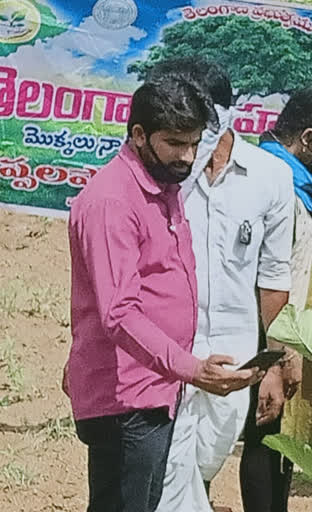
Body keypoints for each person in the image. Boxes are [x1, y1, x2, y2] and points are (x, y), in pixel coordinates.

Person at [64, 73, 261, 512]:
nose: (187, 156)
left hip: (155, 386)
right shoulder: (113, 202)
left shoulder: (162, 185)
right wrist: (191, 368)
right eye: (175, 143)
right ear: (138, 135)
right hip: (125, 398)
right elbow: (119, 313)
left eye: (194, 143)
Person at [146, 60, 294, 512]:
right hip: (163, 357)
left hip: (232, 363)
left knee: (202, 468)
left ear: (222, 116)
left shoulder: (270, 177)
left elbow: (274, 279)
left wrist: (268, 365)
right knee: (164, 477)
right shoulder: (159, 176)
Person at [239, 85, 312, 512]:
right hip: (274, 328)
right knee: (267, 431)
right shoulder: (274, 181)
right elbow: (269, 273)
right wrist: (279, 353)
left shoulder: (301, 181)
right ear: (307, 137)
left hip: (300, 325)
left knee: (288, 434)